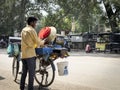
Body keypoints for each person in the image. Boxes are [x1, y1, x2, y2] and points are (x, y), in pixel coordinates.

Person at [20, 17, 44, 90]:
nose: (35, 24)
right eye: (35, 22)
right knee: (31, 74)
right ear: (31, 23)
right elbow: (37, 41)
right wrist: (44, 42)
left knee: (24, 73)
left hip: (24, 54)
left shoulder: (23, 30)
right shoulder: (32, 30)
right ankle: (30, 88)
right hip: (30, 55)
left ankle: (22, 87)